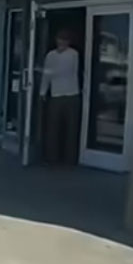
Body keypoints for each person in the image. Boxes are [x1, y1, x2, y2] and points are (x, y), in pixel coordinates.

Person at [39, 29, 81, 165]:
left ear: (69, 42)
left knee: (71, 129)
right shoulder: (50, 55)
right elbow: (46, 76)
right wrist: (43, 92)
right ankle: (52, 158)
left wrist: (48, 71)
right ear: (56, 40)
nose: (62, 42)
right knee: (53, 128)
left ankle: (70, 159)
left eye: (65, 40)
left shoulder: (73, 54)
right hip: (56, 94)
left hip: (71, 94)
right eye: (60, 39)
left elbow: (66, 70)